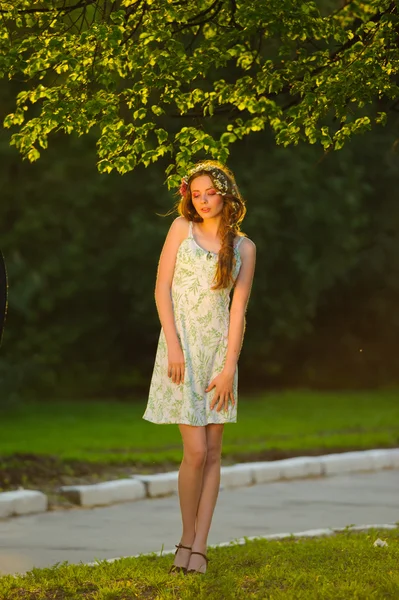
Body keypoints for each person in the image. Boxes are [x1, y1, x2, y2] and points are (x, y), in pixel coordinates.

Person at [142, 160, 256, 575]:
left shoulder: (244, 248)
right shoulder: (179, 230)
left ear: (226, 195)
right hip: (181, 350)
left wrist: (229, 368)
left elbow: (238, 311)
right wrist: (172, 345)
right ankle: (185, 539)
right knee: (194, 452)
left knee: (213, 453)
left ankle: (201, 546)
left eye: (210, 193)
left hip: (219, 357)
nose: (203, 201)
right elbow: (161, 288)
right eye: (196, 194)